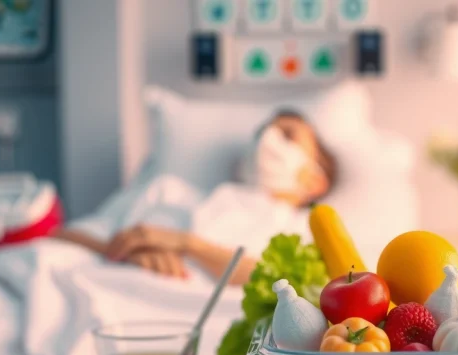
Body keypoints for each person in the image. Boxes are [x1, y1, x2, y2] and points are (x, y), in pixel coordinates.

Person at [53, 110, 337, 285]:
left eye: (287, 135)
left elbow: (278, 282)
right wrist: (122, 251)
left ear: (315, 181)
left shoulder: (304, 231)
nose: (267, 139)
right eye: (262, 133)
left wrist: (186, 244)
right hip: (97, 282)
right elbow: (60, 236)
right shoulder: (168, 192)